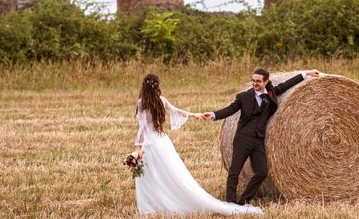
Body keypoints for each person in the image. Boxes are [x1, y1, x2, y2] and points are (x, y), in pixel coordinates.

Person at [133, 74, 262, 216]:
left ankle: (154, 202)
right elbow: (177, 111)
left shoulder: (141, 102)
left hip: (150, 143)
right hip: (161, 142)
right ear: (157, 86)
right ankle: (166, 198)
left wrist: (138, 148)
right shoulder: (161, 100)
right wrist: (194, 114)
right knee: (171, 173)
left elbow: (142, 127)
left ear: (143, 87)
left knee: (151, 174)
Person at [203, 67, 320, 205]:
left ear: (266, 82)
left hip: (258, 140)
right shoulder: (244, 97)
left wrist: (306, 74)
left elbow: (288, 84)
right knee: (234, 171)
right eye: (253, 80)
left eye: (258, 81)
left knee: (262, 172)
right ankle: (230, 203)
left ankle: (243, 201)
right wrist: (214, 115)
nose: (255, 83)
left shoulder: (271, 93)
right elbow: (230, 109)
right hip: (243, 138)